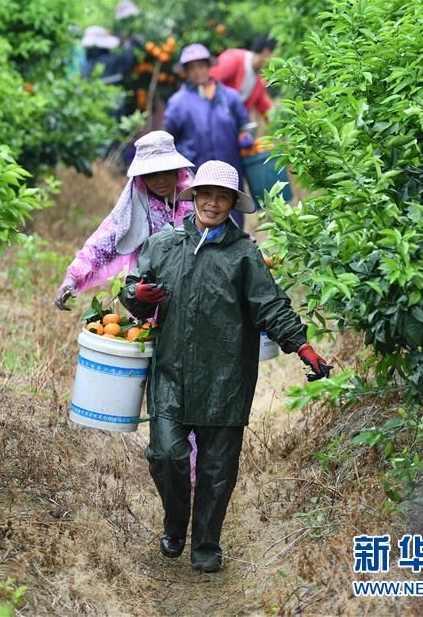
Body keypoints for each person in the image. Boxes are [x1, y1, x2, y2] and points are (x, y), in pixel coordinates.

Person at [118, 160, 331, 573]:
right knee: (166, 455)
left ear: (232, 203)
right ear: (193, 196)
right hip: (172, 373)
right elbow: (132, 294)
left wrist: (303, 348)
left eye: (222, 197)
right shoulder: (164, 245)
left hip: (226, 376)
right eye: (206, 194)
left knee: (217, 469)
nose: (212, 203)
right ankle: (175, 524)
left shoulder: (244, 255)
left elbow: (271, 307)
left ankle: (206, 545)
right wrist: (139, 294)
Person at [55, 131, 194, 310]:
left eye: (166, 172)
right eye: (151, 174)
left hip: (191, 293)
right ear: (141, 177)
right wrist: (72, 278)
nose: (160, 180)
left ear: (177, 171)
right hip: (149, 296)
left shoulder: (196, 201)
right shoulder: (133, 209)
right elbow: (101, 247)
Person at [163, 43, 254, 228]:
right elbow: (168, 141)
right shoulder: (177, 103)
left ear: (208, 66)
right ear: (186, 72)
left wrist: (246, 135)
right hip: (195, 177)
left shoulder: (230, 97)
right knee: (198, 224)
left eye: (201, 65)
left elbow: (245, 124)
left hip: (230, 173)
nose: (197, 71)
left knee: (233, 224)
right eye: (191, 68)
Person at [210, 35, 277, 122]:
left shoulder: (258, 80)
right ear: (266, 52)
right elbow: (209, 81)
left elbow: (266, 110)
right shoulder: (233, 60)